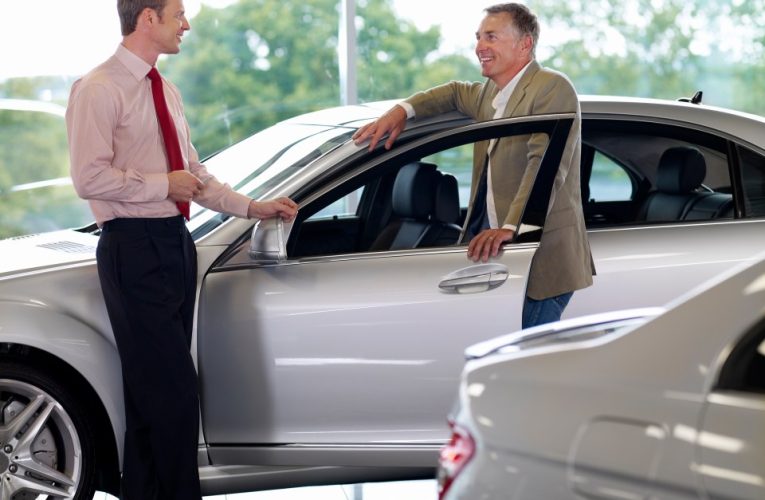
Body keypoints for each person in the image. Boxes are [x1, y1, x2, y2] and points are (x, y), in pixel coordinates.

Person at [65, 0, 298, 498]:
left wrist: (254, 207)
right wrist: (161, 183)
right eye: (178, 14)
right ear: (147, 18)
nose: (187, 24)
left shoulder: (163, 87)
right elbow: (88, 177)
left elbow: (195, 177)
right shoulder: (99, 88)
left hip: (174, 245)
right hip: (133, 248)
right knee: (173, 392)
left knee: (151, 394)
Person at [353, 3, 594, 329]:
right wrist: (402, 111)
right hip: (502, 260)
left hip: (541, 259)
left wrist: (509, 228)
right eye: (479, 37)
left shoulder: (551, 88)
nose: (480, 46)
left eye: (491, 37)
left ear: (524, 44)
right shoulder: (488, 95)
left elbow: (545, 167)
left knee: (525, 368)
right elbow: (451, 94)